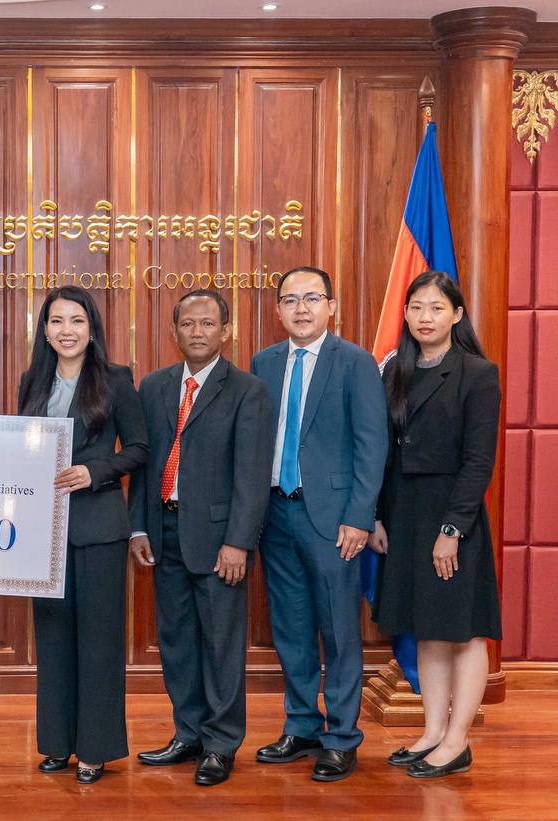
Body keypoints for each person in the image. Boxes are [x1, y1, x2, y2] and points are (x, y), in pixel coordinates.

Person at [249, 266, 388, 782]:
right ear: (278, 310)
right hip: (275, 513)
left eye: (312, 298)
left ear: (331, 306)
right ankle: (302, 724)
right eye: (291, 300)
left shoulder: (355, 362)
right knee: (290, 628)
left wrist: (359, 516)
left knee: (339, 630)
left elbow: (372, 445)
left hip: (332, 519)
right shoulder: (263, 363)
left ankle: (342, 735)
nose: (301, 309)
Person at [130, 289, 273, 787]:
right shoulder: (153, 387)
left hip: (219, 541)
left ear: (226, 331)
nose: (197, 332)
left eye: (208, 324)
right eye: (188, 324)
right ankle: (188, 734)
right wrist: (139, 526)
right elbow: (144, 463)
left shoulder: (248, 391)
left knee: (221, 646)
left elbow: (252, 475)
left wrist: (239, 542)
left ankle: (220, 743)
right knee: (177, 643)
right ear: (174, 332)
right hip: (164, 533)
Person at [370, 270, 502, 779]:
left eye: (436, 308)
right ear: (405, 314)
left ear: (457, 315)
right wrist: (377, 515)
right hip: (404, 513)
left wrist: (452, 531)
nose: (425, 317)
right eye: (417, 307)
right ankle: (431, 732)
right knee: (426, 628)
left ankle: (457, 740)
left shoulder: (477, 373)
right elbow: (382, 452)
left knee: (463, 632)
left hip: (452, 515)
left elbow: (479, 462)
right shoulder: (395, 371)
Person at [19, 286, 148, 784]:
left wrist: (95, 472)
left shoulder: (115, 379)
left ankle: (95, 748)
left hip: (98, 528)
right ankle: (57, 744)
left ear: (91, 329)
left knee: (98, 642)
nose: (66, 330)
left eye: (76, 320)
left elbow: (139, 449)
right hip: (42, 530)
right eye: (57, 321)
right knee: (53, 639)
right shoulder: (32, 381)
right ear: (45, 330)